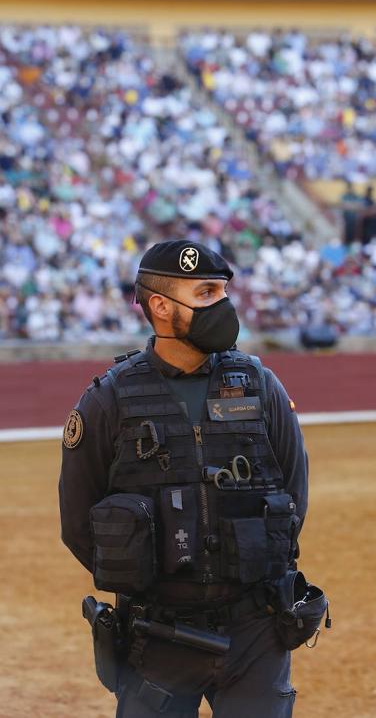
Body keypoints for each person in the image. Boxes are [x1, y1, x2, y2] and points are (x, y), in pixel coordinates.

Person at [59, 239, 310, 717]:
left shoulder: (261, 386)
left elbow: (294, 496)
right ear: (161, 306)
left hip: (255, 630)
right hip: (156, 638)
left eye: (222, 292)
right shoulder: (108, 401)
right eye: (206, 293)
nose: (223, 305)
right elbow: (78, 523)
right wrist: (155, 584)